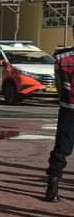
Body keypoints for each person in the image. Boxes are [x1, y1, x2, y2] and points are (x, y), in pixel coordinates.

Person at [45, 42, 74, 202]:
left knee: (61, 149)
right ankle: (52, 185)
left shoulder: (61, 57)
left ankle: (52, 186)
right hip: (68, 109)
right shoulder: (62, 57)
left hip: (68, 107)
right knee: (61, 149)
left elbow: (59, 85)